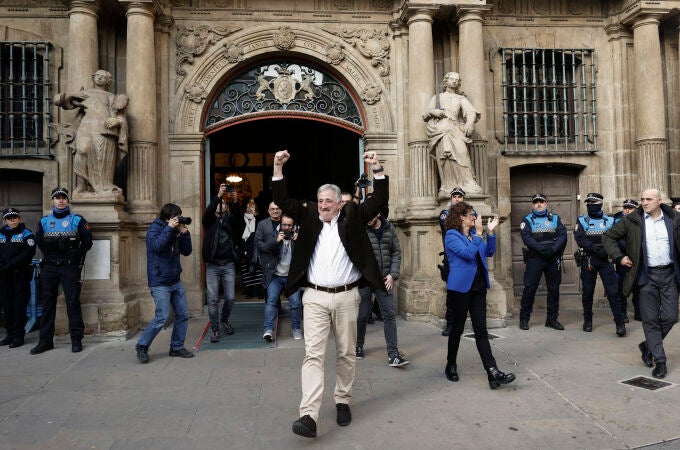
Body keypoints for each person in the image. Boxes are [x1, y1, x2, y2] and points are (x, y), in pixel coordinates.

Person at [271, 149, 387, 438]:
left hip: (347, 297)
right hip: (314, 298)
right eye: (320, 200)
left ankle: (342, 400)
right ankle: (308, 415)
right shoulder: (309, 214)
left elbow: (379, 201)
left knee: (346, 353)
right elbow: (284, 200)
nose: (323, 205)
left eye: (328, 202)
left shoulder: (353, 216)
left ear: (338, 204)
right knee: (313, 355)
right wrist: (277, 167)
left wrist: (378, 169)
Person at [603, 189, 680, 379]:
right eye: (642, 199)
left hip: (670, 274)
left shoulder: (674, 220)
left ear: (659, 201)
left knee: (671, 317)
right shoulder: (632, 220)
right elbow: (608, 237)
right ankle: (660, 360)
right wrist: (619, 256)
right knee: (650, 319)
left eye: (649, 199)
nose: (644, 203)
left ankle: (647, 345)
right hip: (646, 276)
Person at [443, 201, 515, 389]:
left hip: (478, 287)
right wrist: (479, 234)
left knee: (481, 331)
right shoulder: (451, 235)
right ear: (461, 217)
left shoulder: (475, 235)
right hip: (460, 289)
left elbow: (489, 252)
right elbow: (467, 254)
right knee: (457, 330)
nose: (474, 218)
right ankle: (451, 364)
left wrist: (490, 232)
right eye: (470, 215)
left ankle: (493, 372)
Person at [31, 188, 93, 355]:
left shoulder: (77, 220)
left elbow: (88, 242)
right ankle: (45, 342)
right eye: (57, 198)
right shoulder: (44, 221)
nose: (60, 201)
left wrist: (76, 254)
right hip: (49, 267)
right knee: (47, 305)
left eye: (63, 198)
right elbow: (39, 241)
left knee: (72, 303)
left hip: (69, 267)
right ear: (52, 201)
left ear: (67, 200)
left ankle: (76, 340)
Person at [135, 203, 193, 363]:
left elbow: (187, 251)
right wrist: (169, 228)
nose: (178, 220)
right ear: (167, 217)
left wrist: (185, 233)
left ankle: (176, 347)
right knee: (162, 316)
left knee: (182, 315)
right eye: (176, 217)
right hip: (159, 281)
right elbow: (157, 246)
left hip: (175, 279)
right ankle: (142, 345)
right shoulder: (155, 228)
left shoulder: (176, 230)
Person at [53, 70, 128, 194]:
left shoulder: (111, 96)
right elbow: (57, 100)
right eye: (97, 75)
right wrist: (72, 94)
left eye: (103, 77)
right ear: (93, 78)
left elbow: (120, 115)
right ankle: (82, 184)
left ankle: (104, 186)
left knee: (101, 158)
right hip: (86, 127)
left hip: (105, 130)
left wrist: (118, 121)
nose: (99, 78)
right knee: (81, 151)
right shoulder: (85, 93)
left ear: (108, 81)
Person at [355, 207, 408, 366]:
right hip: (366, 280)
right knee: (363, 315)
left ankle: (393, 354)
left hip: (385, 279)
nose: (368, 220)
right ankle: (358, 345)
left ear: (377, 214)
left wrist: (393, 274)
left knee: (389, 315)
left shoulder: (389, 228)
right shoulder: (362, 229)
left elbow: (396, 252)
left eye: (370, 216)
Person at [574, 193, 626, 336]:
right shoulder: (582, 220)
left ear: (600, 203)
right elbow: (580, 238)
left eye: (593, 202)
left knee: (613, 293)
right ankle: (588, 321)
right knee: (588, 292)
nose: (590, 204)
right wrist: (595, 248)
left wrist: (607, 250)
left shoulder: (610, 220)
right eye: (588, 202)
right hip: (589, 259)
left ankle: (620, 324)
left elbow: (617, 237)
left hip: (606, 261)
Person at [423, 72, 482, 197]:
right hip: (441, 130)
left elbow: (471, 112)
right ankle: (448, 186)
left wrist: (470, 123)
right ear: (445, 81)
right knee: (446, 159)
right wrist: (435, 112)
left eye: (457, 80)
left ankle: (468, 184)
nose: (454, 81)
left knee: (462, 154)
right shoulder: (437, 97)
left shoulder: (461, 99)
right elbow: (425, 114)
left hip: (455, 129)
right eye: (452, 79)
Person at [518, 193, 567, 331]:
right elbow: (527, 238)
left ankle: (552, 320)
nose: (539, 204)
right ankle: (524, 319)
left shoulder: (556, 218)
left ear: (546, 203)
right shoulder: (527, 220)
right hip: (536, 258)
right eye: (536, 202)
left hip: (552, 257)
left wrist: (553, 249)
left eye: (541, 202)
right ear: (533, 205)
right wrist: (542, 249)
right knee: (530, 288)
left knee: (554, 289)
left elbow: (562, 235)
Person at [202, 183, 243, 343]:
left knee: (230, 297)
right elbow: (207, 213)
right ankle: (215, 328)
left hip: (228, 264)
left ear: (227, 208)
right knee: (212, 299)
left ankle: (224, 319)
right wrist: (218, 195)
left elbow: (240, 219)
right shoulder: (209, 222)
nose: (220, 206)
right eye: (219, 204)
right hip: (213, 265)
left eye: (223, 204)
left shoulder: (231, 221)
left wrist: (235, 201)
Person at [259, 212, 303, 341]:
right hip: (276, 276)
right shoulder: (273, 235)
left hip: (291, 276)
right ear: (280, 224)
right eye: (284, 225)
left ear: (293, 225)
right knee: (271, 301)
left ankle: (296, 329)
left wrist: (299, 241)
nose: (286, 228)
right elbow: (264, 249)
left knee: (295, 304)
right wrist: (276, 241)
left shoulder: (298, 236)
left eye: (289, 225)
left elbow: (307, 254)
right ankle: (268, 330)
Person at [0, 208, 37, 348]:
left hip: (19, 276)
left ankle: (18, 337)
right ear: (5, 220)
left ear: (19, 219)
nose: (13, 220)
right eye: (9, 218)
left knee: (18, 307)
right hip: (4, 277)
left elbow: (27, 253)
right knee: (7, 307)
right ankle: (9, 335)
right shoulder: (0, 235)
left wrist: (11, 264)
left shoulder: (26, 234)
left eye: (15, 217)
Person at [438, 186, 466, 336]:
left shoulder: (471, 214)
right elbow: (451, 226)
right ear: (451, 198)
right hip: (452, 259)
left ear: (463, 199)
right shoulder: (444, 214)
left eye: (459, 197)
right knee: (452, 293)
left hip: (468, 258)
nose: (457, 199)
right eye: (454, 196)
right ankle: (450, 324)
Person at [614, 199, 641, 321]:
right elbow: (617, 239)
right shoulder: (618, 220)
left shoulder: (641, 219)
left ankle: (638, 312)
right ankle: (622, 313)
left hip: (638, 258)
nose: (627, 210)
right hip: (623, 258)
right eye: (625, 207)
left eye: (630, 208)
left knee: (638, 286)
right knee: (622, 287)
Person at [241, 199, 259, 298]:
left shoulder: (259, 219)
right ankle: (250, 290)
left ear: (255, 209)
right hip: (245, 247)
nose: (249, 209)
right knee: (246, 269)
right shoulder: (241, 219)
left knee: (258, 269)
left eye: (252, 207)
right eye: (248, 207)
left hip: (255, 247)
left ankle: (259, 289)